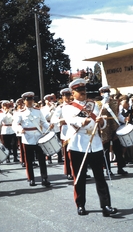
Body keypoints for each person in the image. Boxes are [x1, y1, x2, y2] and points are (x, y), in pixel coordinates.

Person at [63, 78, 118, 217]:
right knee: (79, 177)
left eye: (84, 91)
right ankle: (80, 204)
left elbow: (102, 123)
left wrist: (101, 122)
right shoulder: (68, 107)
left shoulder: (94, 105)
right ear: (73, 93)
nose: (83, 94)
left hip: (95, 143)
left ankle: (106, 205)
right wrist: (83, 120)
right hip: (78, 144)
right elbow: (71, 121)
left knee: (100, 177)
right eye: (79, 91)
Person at [14, 92, 53, 187]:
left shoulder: (38, 111)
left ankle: (44, 178)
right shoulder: (20, 113)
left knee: (42, 159)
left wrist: (49, 126)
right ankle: (31, 179)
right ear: (24, 101)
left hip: (38, 137)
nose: (30, 102)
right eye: (28, 100)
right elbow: (15, 124)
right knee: (29, 160)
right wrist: (20, 129)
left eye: (31, 100)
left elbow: (43, 122)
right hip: (27, 138)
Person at [97, 86, 128, 175]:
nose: (107, 94)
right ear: (101, 94)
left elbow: (118, 115)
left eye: (108, 92)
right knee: (106, 151)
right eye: (104, 92)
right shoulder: (98, 104)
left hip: (115, 128)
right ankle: (108, 170)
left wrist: (124, 119)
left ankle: (120, 168)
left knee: (118, 150)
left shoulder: (115, 103)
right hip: (104, 129)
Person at [51, 88, 73, 179]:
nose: (67, 98)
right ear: (62, 97)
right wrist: (61, 120)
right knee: (68, 152)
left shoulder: (75, 105)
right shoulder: (60, 108)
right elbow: (53, 119)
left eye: (69, 95)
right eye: (65, 96)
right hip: (66, 130)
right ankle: (68, 172)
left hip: (77, 129)